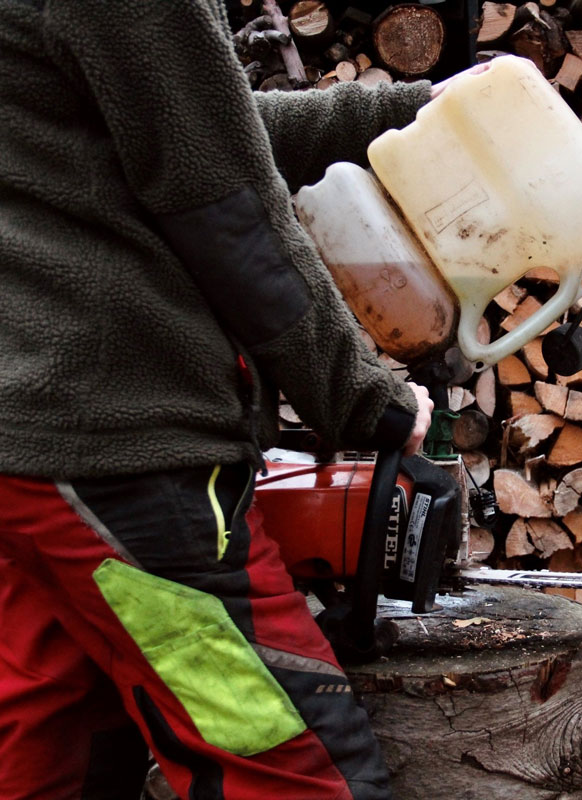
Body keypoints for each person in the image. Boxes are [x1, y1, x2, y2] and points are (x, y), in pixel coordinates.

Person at [0, 1, 471, 797]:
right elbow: (222, 197)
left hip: (36, 441)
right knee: (289, 764)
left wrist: (414, 115)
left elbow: (187, 118)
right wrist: (365, 398)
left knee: (50, 743)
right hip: (118, 439)